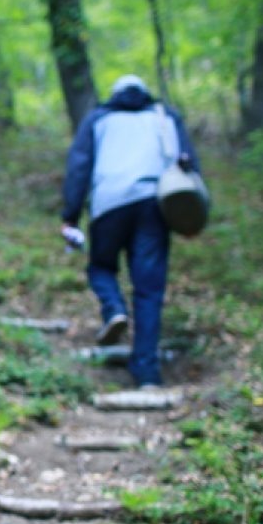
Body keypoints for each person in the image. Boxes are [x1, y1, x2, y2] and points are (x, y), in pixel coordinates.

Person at [60, 74, 201, 389]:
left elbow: (79, 166)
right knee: (149, 290)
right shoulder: (164, 117)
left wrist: (70, 215)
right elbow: (189, 163)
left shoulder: (99, 118)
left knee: (101, 267)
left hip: (108, 203)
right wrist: (193, 216)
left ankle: (114, 309)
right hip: (155, 204)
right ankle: (147, 372)